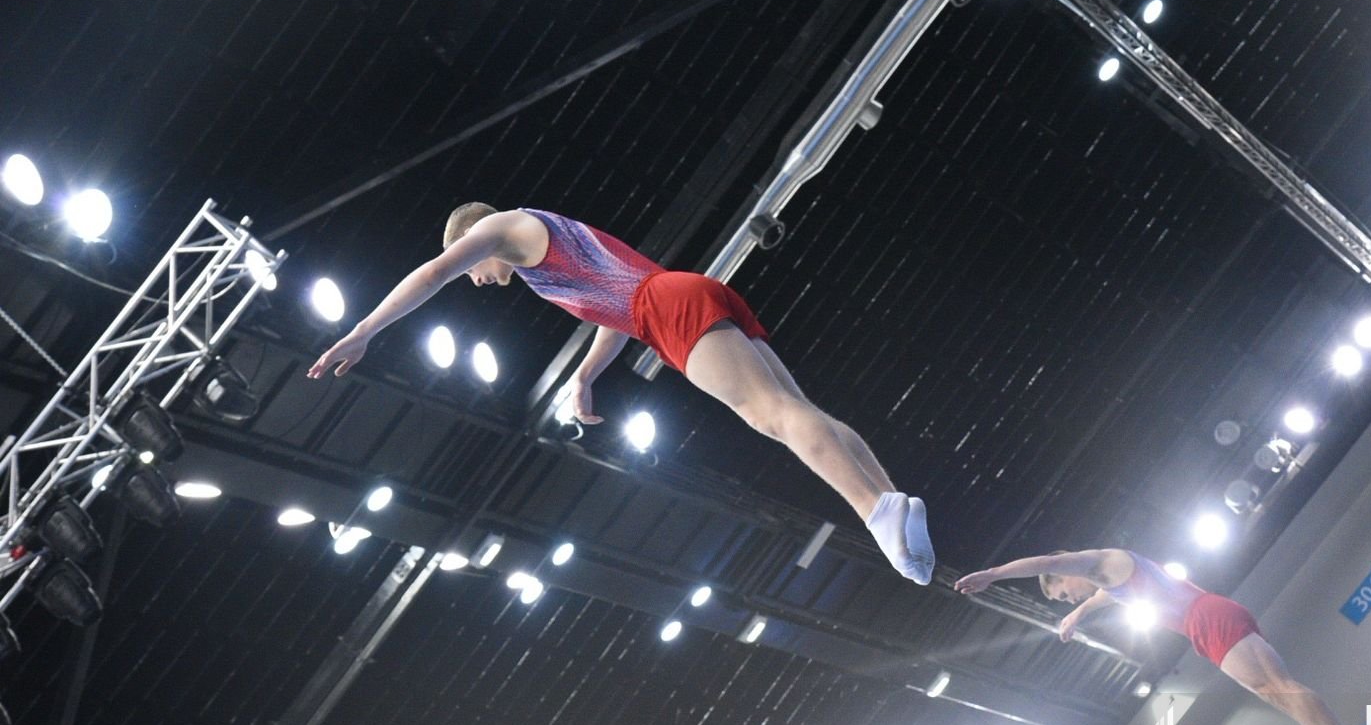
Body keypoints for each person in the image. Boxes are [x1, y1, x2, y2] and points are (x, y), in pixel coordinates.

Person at [307, 204, 934, 583]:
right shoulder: (540, 248)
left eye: (472, 266)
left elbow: (432, 274)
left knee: (770, 416)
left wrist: (364, 332)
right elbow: (615, 308)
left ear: (472, 236)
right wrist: (585, 375)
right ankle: (892, 500)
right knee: (799, 410)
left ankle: (872, 511)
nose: (477, 280)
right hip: (675, 296)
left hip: (666, 309)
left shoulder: (501, 228)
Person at [954, 548, 1371, 725]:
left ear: (1065, 573)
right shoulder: (1110, 578)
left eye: (1065, 594)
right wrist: (1079, 614)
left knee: (1281, 688)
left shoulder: (1099, 560)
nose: (1072, 597)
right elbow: (1106, 595)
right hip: (1205, 624)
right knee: (1278, 695)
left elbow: (1046, 562)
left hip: (1206, 619)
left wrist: (994, 575)